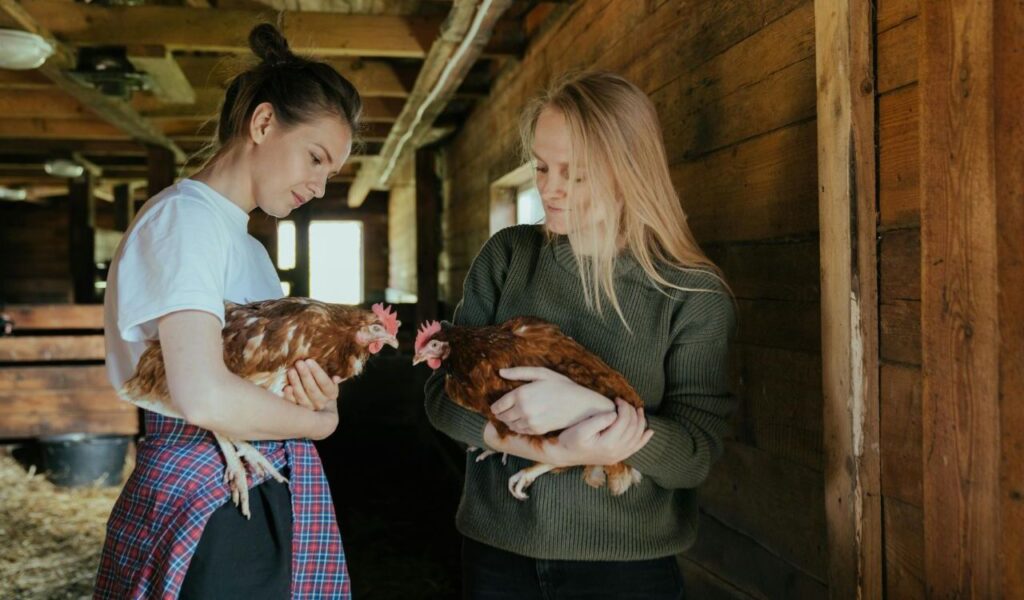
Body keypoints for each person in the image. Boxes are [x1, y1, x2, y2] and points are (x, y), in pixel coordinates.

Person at [424, 71, 736, 599]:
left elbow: (696, 454)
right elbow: (442, 399)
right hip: (498, 556)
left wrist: (583, 410)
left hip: (625, 571)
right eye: (542, 167)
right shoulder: (507, 257)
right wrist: (540, 447)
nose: (550, 187)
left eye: (577, 173)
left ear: (628, 171)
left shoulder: (690, 293)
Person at [96, 23, 360, 599]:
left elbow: (259, 390)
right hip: (206, 487)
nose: (319, 186)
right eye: (315, 158)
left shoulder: (249, 249)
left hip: (253, 480)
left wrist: (312, 394)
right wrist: (321, 422)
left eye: (330, 173)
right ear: (263, 123)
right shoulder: (184, 222)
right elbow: (203, 396)